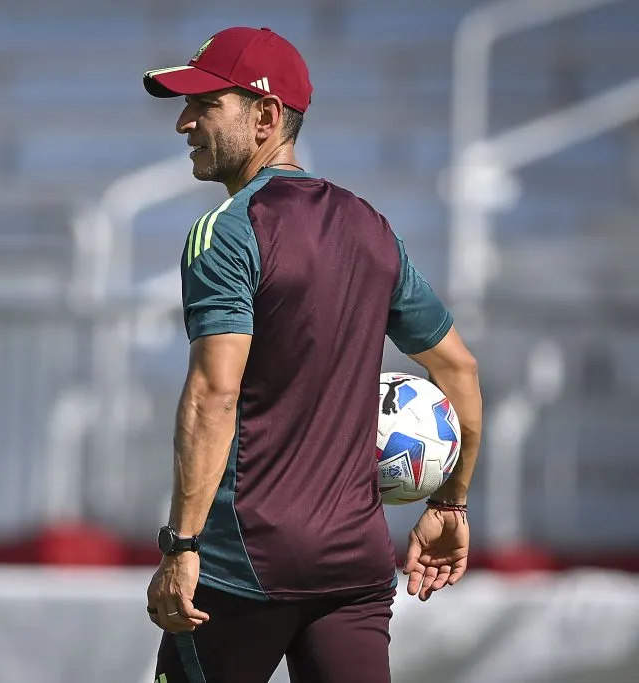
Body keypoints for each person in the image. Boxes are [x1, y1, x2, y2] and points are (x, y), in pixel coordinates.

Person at [141, 26, 483, 683]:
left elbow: (214, 393)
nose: (184, 121)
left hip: (242, 569)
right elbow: (460, 369)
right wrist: (451, 504)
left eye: (205, 105)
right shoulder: (370, 226)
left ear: (265, 116)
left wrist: (182, 545)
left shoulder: (228, 232)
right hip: (354, 570)